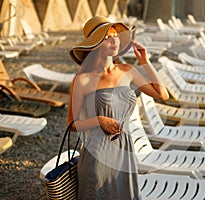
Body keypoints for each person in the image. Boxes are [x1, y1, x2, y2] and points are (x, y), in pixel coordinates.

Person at [67, 16, 169, 199]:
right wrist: (99, 120)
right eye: (107, 37)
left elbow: (162, 94)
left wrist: (146, 62)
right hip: (96, 155)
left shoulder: (127, 70)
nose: (114, 39)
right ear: (96, 44)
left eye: (115, 35)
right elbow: (72, 124)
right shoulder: (82, 80)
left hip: (125, 153)